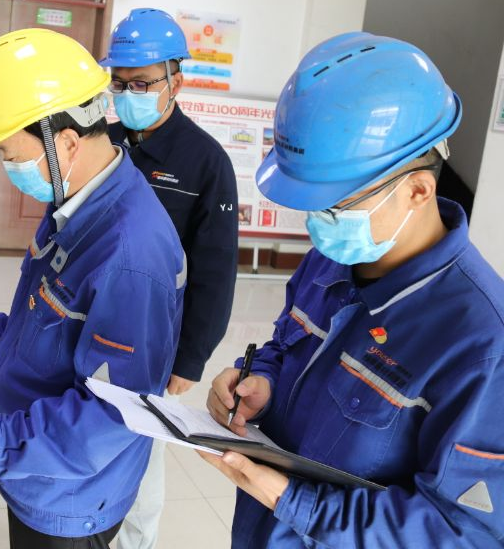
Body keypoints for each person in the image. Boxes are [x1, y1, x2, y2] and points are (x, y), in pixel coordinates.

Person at [202, 32, 504, 547]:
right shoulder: (331, 259)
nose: (317, 223)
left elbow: (463, 531)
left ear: (418, 190)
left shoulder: (482, 344)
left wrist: (295, 503)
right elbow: (284, 347)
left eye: (335, 205)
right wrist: (263, 382)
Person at [0, 28, 186, 548]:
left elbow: (112, 418)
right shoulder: (76, 202)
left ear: (67, 142)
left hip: (71, 497)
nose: (8, 169)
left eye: (10, 154)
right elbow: (48, 317)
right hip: (37, 467)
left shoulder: (129, 256)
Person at [100, 8, 239, 549]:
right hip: (92, 315)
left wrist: (190, 359)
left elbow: (216, 271)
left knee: (140, 450)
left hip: (153, 337)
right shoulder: (103, 142)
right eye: (119, 84)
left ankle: (134, 542)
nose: (127, 94)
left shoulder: (206, 161)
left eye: (141, 83)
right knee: (87, 434)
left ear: (175, 82)